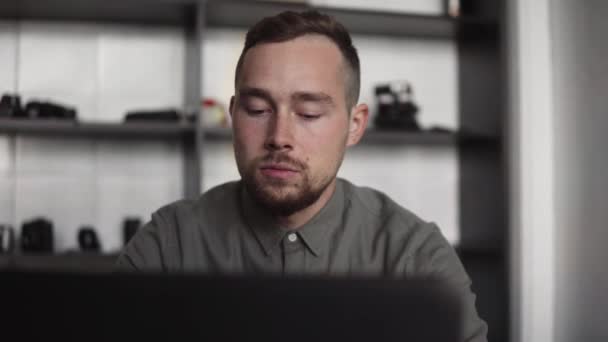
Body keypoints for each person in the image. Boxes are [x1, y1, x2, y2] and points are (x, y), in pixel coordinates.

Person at [116, 10, 488, 342]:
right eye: (258, 109)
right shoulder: (169, 244)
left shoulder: (415, 257)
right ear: (233, 115)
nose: (280, 137)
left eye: (308, 114)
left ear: (355, 126)